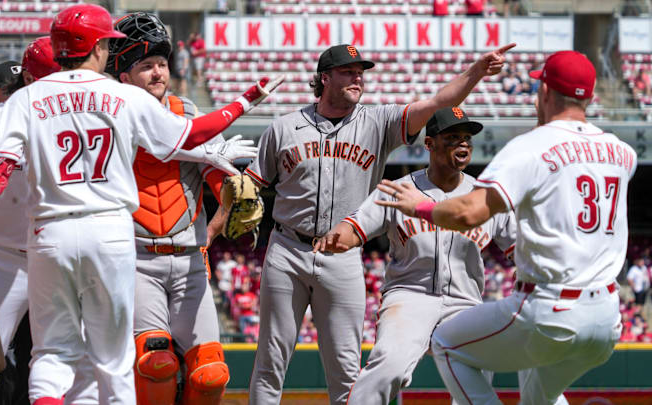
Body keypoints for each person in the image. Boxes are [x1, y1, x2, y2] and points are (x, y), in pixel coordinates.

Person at [0, 4, 279, 404]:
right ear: (96, 47)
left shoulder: (28, 98)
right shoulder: (121, 94)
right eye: (107, 43)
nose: (110, 50)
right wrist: (246, 100)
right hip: (113, 234)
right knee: (114, 361)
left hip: (50, 233)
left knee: (51, 354)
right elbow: (191, 136)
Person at [243, 42, 514, 405]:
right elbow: (249, 187)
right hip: (287, 248)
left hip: (343, 254)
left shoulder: (378, 122)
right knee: (270, 362)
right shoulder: (284, 127)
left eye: (361, 72)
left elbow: (436, 103)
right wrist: (215, 229)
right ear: (325, 78)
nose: (358, 78)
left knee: (347, 369)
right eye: (348, 72)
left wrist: (476, 72)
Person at [374, 50, 637, 405]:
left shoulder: (531, 147)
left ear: (544, 92)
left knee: (448, 345)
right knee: (537, 393)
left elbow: (469, 212)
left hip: (550, 309)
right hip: (606, 319)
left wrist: (419, 206)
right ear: (589, 97)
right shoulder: (622, 152)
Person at [314, 107, 516, 405]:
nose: (462, 144)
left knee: (473, 377)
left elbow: (521, 250)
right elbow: (355, 226)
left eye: (466, 139)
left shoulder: (485, 196)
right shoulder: (401, 190)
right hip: (409, 296)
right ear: (430, 144)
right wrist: (338, 236)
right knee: (388, 368)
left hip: (465, 300)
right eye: (452, 138)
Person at [106, 12, 255, 404]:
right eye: (145, 66)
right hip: (136, 259)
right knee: (155, 364)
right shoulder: (109, 116)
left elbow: (212, 169)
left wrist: (229, 205)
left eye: (161, 64)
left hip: (190, 256)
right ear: (123, 75)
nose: (157, 73)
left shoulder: (186, 110)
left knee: (210, 373)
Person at [0, 41, 97, 405]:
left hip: (57, 252)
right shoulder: (0, 116)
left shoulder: (82, 114)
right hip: (3, 258)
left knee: (76, 366)